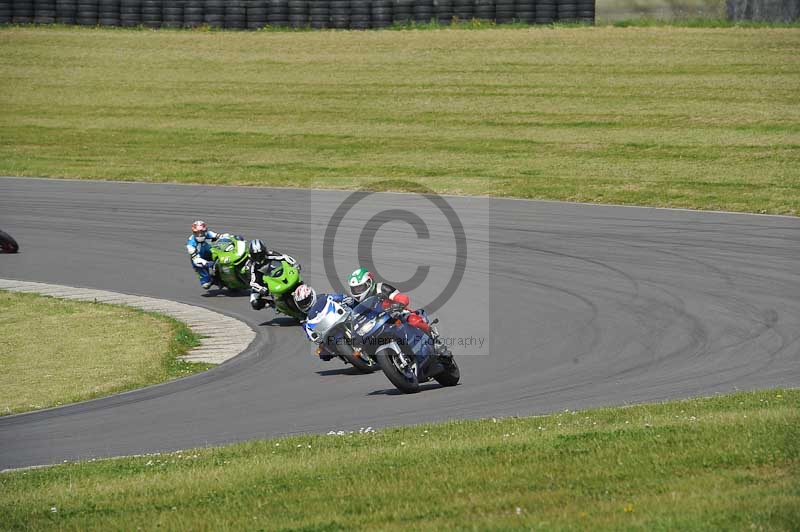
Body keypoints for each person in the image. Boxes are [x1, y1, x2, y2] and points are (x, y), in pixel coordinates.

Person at [347, 267, 430, 333]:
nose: (358, 291)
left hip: (396, 314)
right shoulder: (357, 302)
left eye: (360, 287)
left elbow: (402, 298)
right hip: (377, 323)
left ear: (369, 283)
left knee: (413, 320)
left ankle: (433, 338)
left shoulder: (381, 288)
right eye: (355, 289)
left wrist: (397, 305)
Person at [293, 284, 355, 361]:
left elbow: (339, 297)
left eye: (306, 300)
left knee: (353, 306)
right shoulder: (303, 317)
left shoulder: (324, 297)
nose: (305, 304)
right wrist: (313, 337)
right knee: (322, 354)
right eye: (302, 303)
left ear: (312, 295)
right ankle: (342, 353)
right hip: (325, 331)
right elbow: (310, 335)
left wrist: (344, 298)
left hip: (337, 317)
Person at [247, 239, 302, 311]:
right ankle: (272, 304)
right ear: (251, 255)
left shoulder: (270, 254)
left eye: (260, 254)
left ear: (264, 251)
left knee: (295, 277)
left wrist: (294, 264)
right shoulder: (250, 266)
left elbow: (285, 257)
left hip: (273, 275)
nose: (258, 257)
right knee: (255, 303)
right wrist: (261, 289)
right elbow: (252, 283)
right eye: (255, 255)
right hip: (260, 283)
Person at [186, 220, 220, 289]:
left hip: (210, 254)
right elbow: (195, 259)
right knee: (206, 285)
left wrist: (230, 237)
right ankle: (209, 279)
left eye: (202, 232)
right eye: (197, 233)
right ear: (193, 233)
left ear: (205, 231)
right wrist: (207, 263)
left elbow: (222, 237)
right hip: (199, 259)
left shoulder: (209, 234)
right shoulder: (190, 244)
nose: (200, 235)